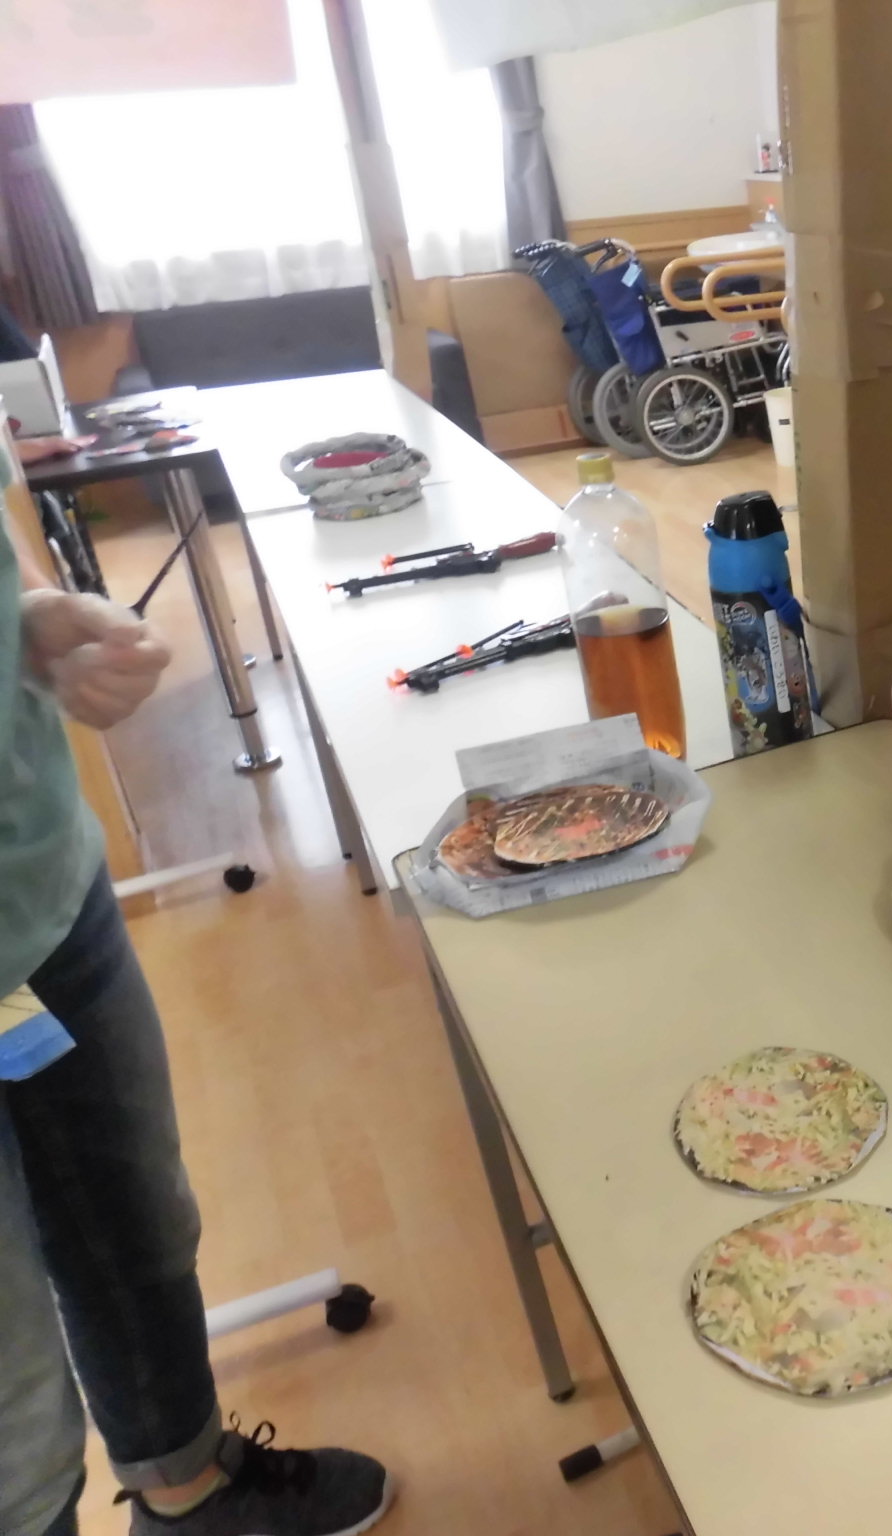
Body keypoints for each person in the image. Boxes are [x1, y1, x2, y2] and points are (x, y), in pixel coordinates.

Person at [2, 430, 393, 1536]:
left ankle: (189, 1495)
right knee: (12, 1414)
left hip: (40, 883)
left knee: (134, 1226)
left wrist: (29, 619)